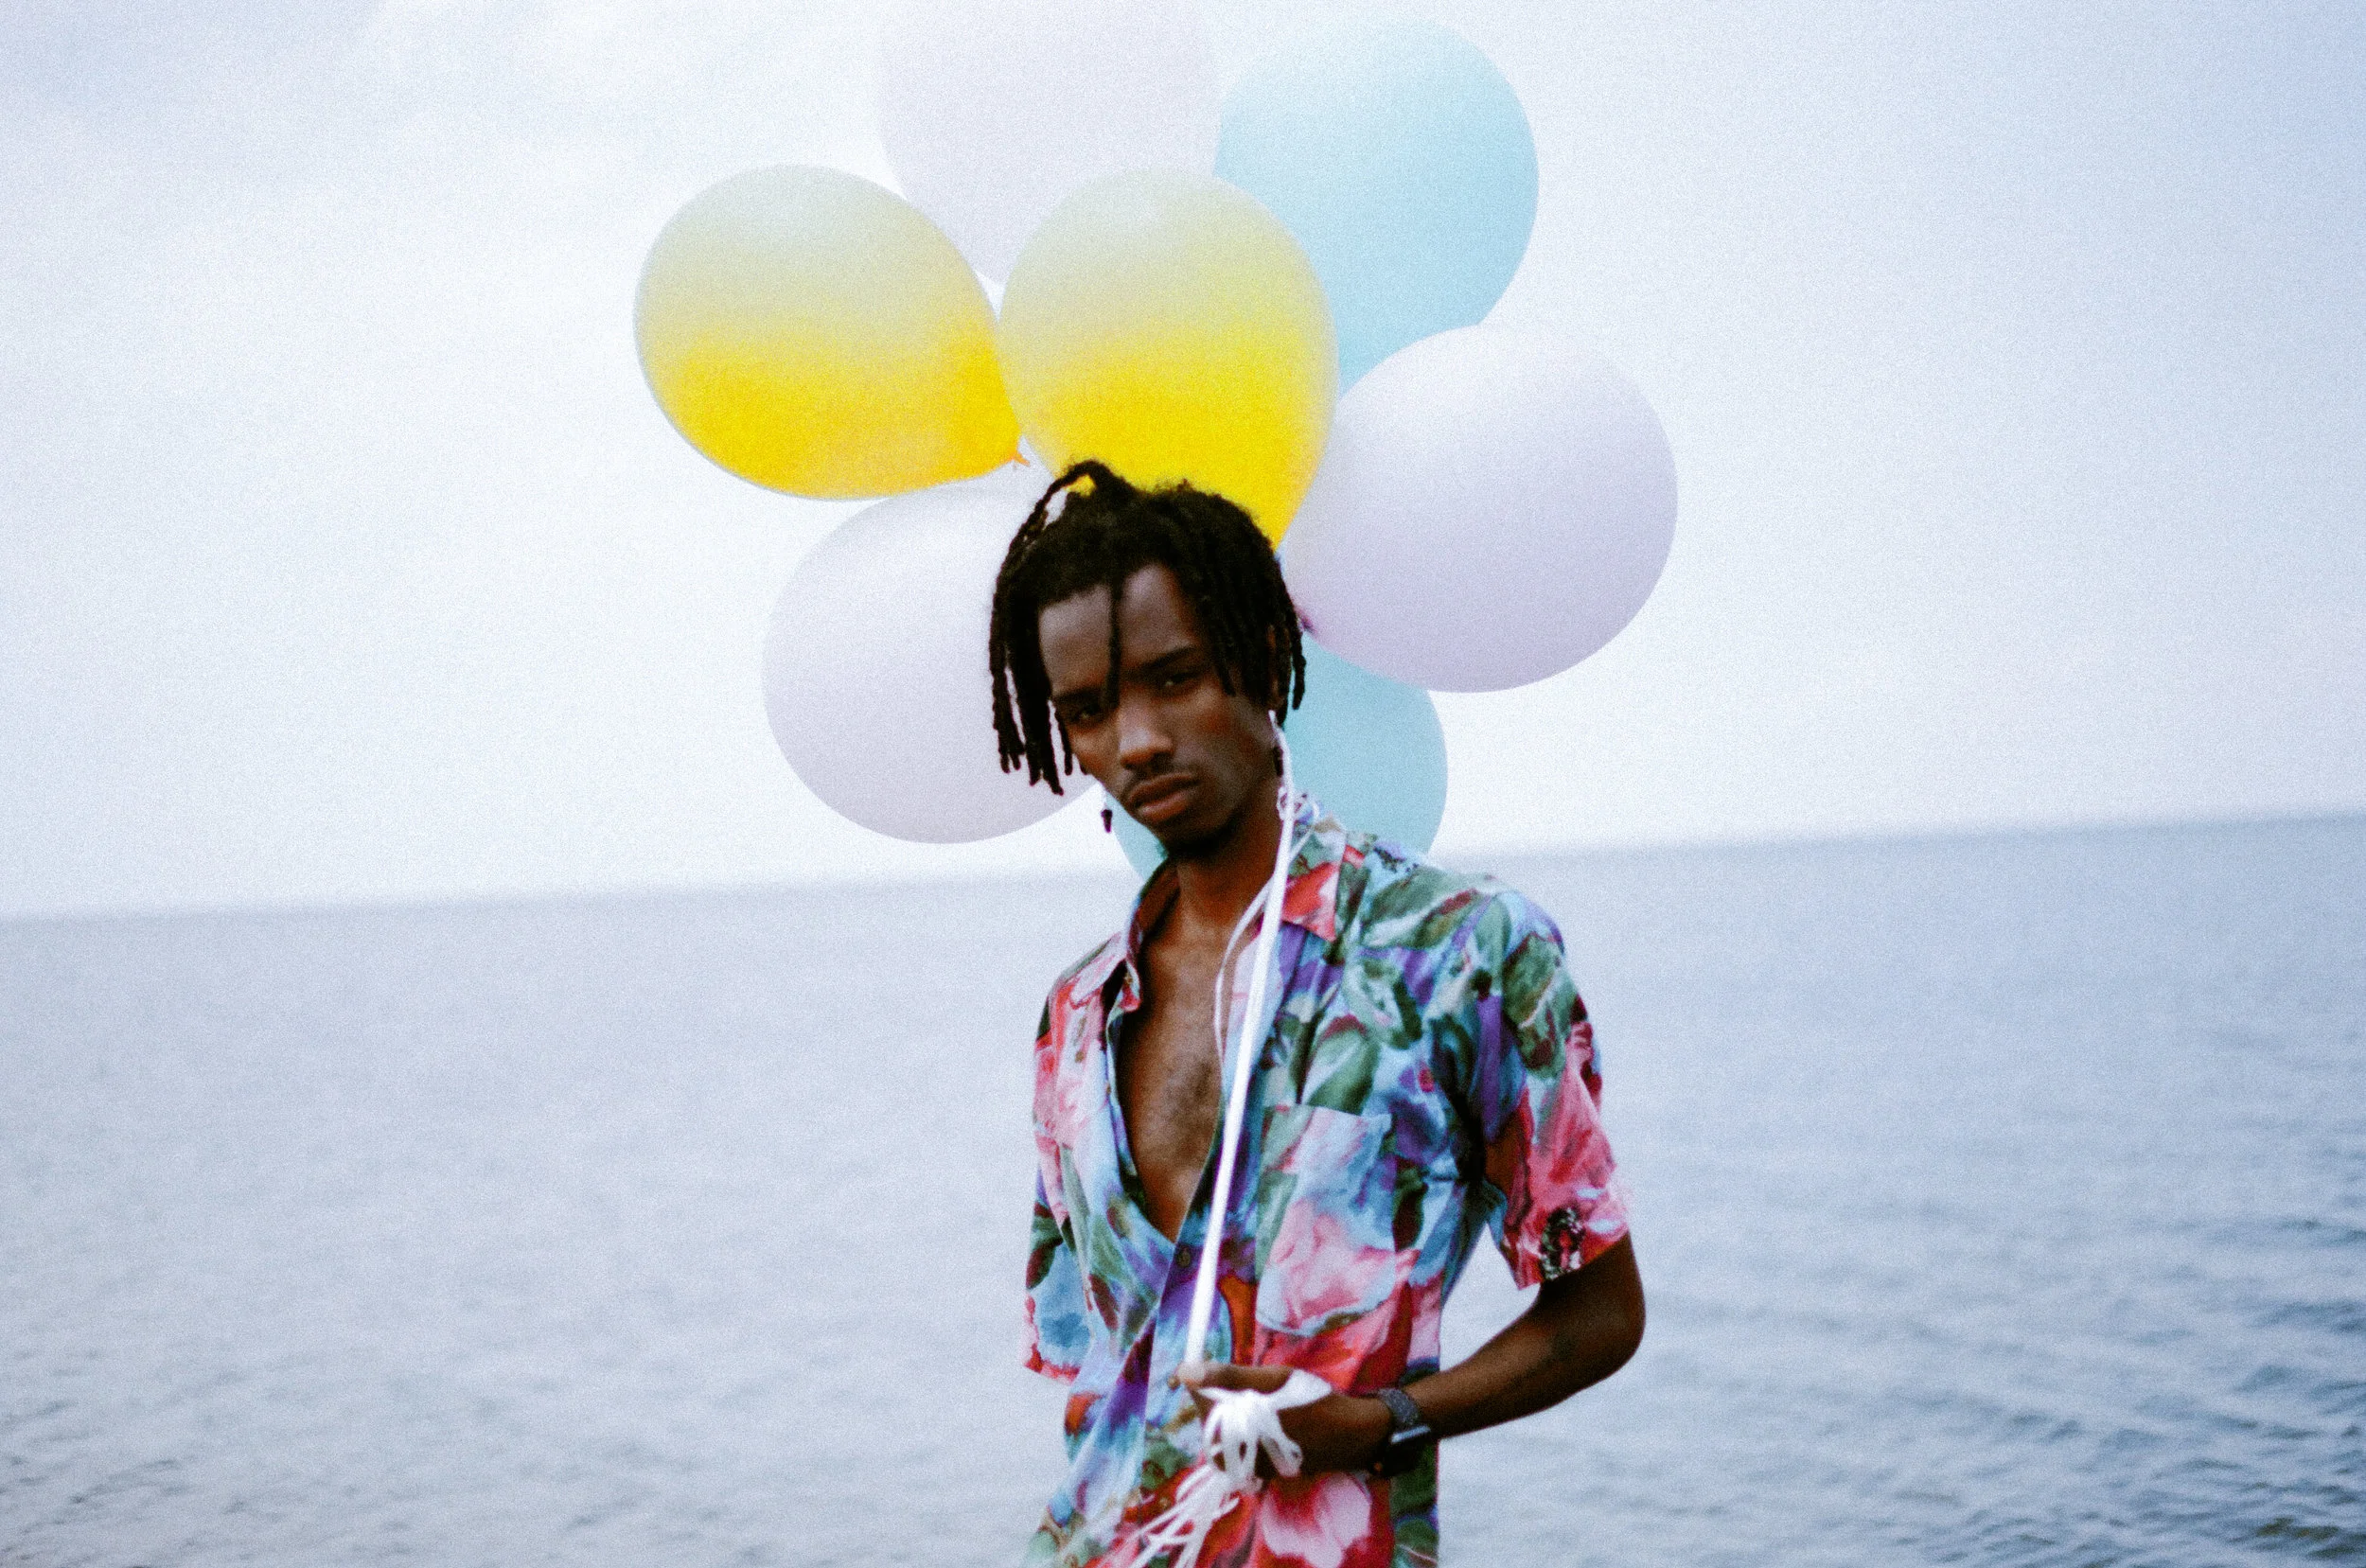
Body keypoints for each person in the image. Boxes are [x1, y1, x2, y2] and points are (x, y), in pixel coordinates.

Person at [989, 462, 1645, 1568]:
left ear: (1258, 657)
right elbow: (1097, 1371)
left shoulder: (1458, 954)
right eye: (1089, 711)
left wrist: (1382, 1422)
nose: (1136, 740)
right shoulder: (1078, 1016)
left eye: (1174, 678)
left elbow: (1599, 1313)